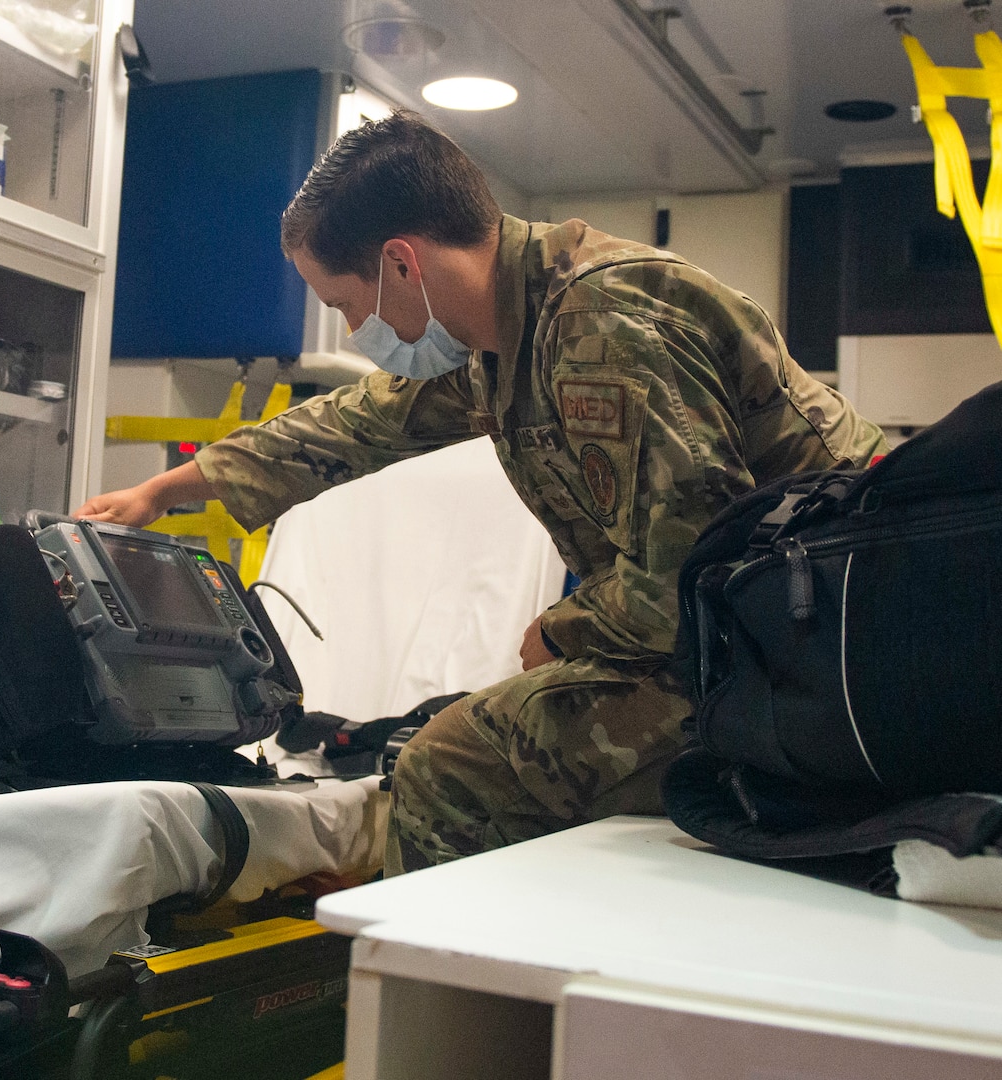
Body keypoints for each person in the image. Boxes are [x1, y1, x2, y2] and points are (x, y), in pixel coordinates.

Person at [76, 110, 885, 875]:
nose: (356, 328)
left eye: (345, 304)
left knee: (449, 763)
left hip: (819, 650)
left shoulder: (602, 326)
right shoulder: (508, 332)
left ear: (401, 262)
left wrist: (562, 629)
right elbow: (355, 423)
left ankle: (450, 1012)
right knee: (472, 731)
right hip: (769, 633)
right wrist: (166, 488)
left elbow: (689, 577)